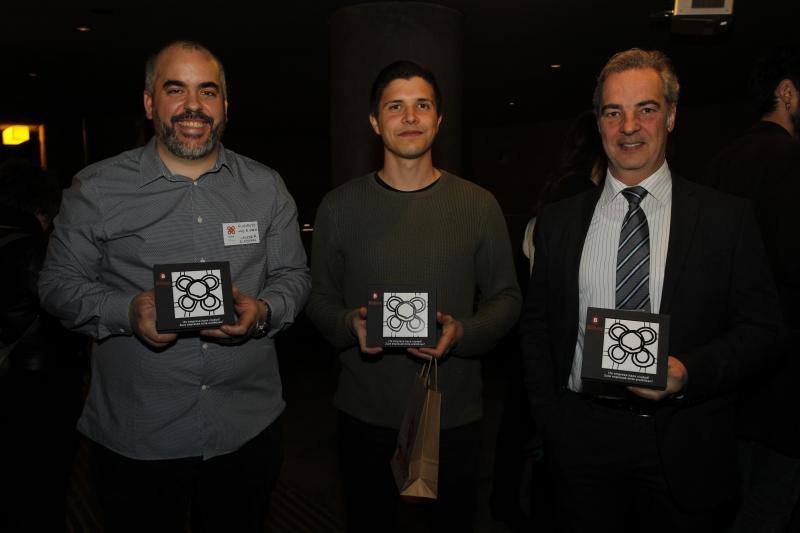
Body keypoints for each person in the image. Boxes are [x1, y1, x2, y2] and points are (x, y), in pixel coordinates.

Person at [38, 40, 311, 533]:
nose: (193, 106)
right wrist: (129, 311)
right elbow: (56, 285)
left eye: (208, 91)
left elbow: (294, 276)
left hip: (246, 430)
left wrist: (265, 311)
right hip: (138, 435)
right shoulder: (97, 188)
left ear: (225, 105)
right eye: (175, 89)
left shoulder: (267, 187)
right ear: (149, 103)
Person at [520, 48, 783, 532]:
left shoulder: (725, 219)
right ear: (599, 124)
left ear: (672, 116)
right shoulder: (558, 222)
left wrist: (688, 372)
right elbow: (537, 327)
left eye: (646, 109)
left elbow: (764, 330)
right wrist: (553, 425)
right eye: (613, 112)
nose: (629, 127)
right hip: (582, 443)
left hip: (686, 443)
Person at [305, 60, 521, 532]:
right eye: (395, 106)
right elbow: (318, 299)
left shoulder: (478, 205)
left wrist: (464, 332)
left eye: (422, 105)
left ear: (439, 119)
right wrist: (349, 325)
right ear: (374, 121)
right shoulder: (339, 207)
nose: (409, 117)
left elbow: (506, 299)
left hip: (453, 414)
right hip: (363, 413)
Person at [706, 47, 800, 532]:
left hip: (730, 363)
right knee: (771, 498)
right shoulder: (789, 159)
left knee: (733, 494)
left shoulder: (723, 159)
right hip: (783, 367)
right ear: (787, 93)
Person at [0, 159, 87, 532]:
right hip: (41, 387)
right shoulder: (41, 253)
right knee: (44, 489)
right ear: (41, 209)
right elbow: (68, 311)